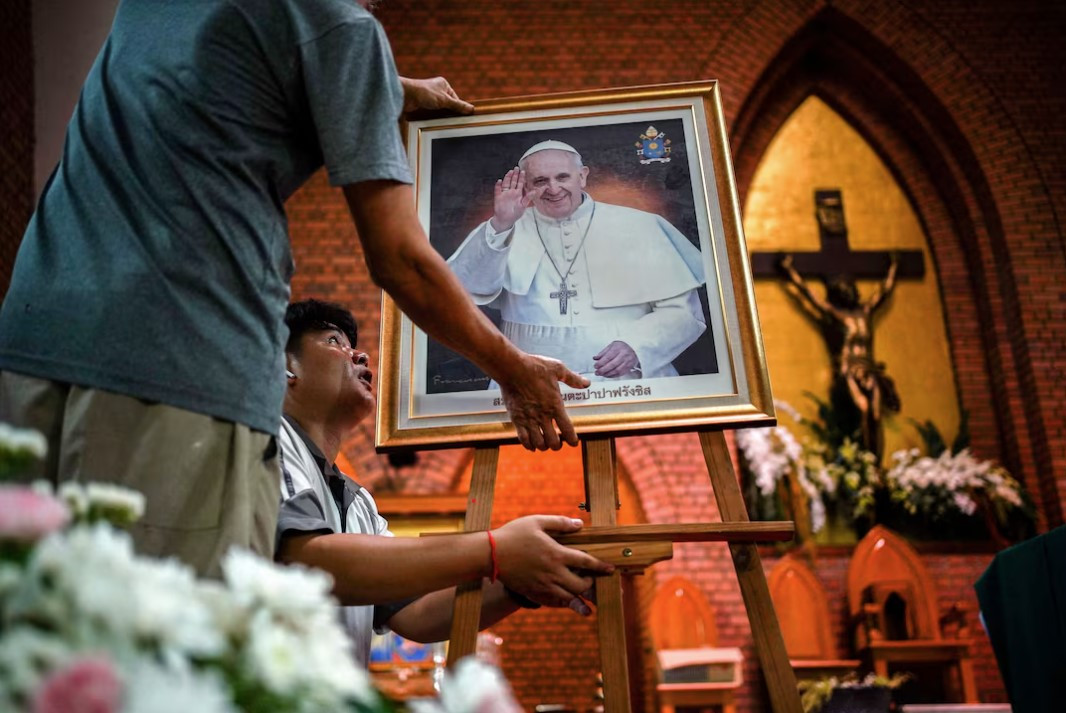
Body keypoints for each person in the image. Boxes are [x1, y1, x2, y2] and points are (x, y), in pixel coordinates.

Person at [0, 1, 583, 576]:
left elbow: (248, 63)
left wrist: (384, 83)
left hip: (34, 344)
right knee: (156, 630)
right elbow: (401, 259)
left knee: (35, 623)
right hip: (176, 359)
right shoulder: (337, 26)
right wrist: (513, 370)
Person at [276, 299, 610, 666]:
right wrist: (496, 551)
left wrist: (522, 579)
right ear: (286, 367)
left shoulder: (359, 503)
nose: (360, 356)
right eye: (333, 341)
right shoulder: (272, 440)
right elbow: (306, 561)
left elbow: (416, 613)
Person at [447, 140, 708, 383]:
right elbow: (462, 291)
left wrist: (637, 345)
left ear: (582, 176)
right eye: (540, 180)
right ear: (526, 185)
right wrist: (501, 223)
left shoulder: (640, 225)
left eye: (562, 177)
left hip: (626, 379)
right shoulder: (503, 227)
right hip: (530, 381)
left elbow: (684, 313)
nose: (553, 189)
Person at [778, 253, 901, 458]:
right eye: (845, 290)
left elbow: (883, 291)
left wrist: (893, 268)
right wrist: (790, 272)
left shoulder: (865, 313)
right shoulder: (837, 315)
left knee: (877, 415)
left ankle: (876, 462)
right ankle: (863, 459)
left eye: (850, 289)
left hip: (869, 369)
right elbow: (809, 295)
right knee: (862, 408)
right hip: (849, 370)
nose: (849, 292)